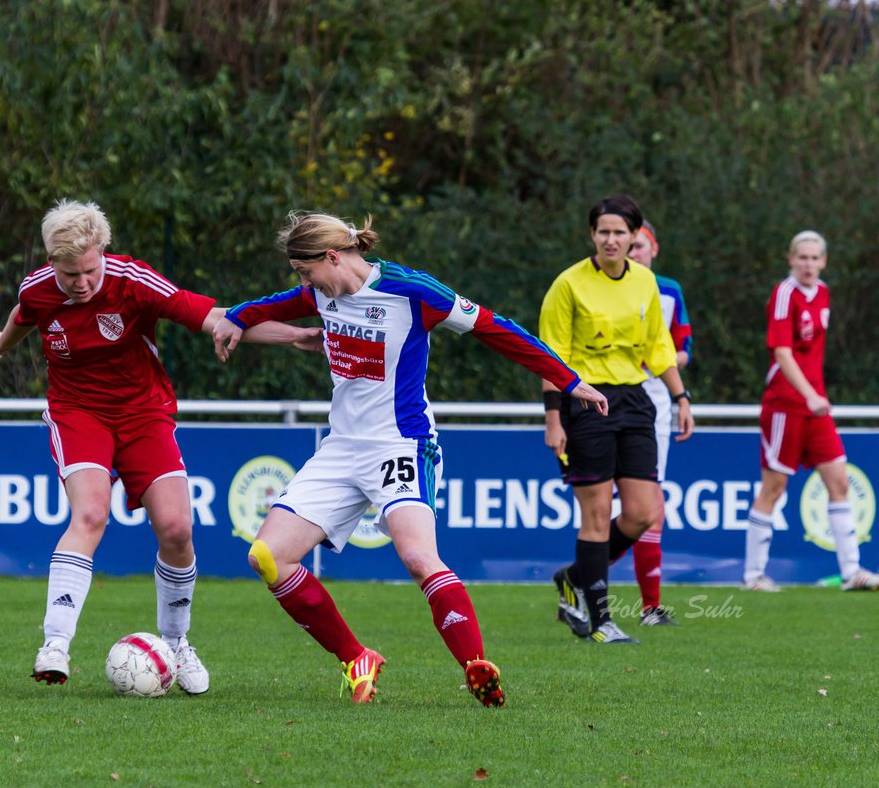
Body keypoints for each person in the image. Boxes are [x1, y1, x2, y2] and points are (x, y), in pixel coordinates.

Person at [212, 211, 609, 707]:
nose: (302, 282)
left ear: (332, 256)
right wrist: (233, 317)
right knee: (267, 555)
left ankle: (475, 666)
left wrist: (570, 381)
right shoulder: (321, 292)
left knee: (419, 557)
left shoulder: (412, 290)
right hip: (340, 449)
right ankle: (356, 658)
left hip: (401, 444)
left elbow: (497, 329)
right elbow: (263, 308)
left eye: (304, 270)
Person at [0, 199, 319, 692]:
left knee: (178, 528)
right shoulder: (38, 288)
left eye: (91, 270)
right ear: (52, 262)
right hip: (77, 414)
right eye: (70, 273)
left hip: (143, 413)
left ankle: (177, 645)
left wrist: (294, 336)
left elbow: (220, 317)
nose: (82, 283)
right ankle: (55, 644)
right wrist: (1, 343)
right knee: (90, 515)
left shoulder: (133, 281)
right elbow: (24, 313)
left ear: (103, 253)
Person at [540, 195, 693, 645]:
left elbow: (658, 347)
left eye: (619, 232)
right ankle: (602, 621)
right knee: (597, 514)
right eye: (603, 231)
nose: (611, 239)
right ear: (592, 235)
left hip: (635, 399)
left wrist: (680, 396)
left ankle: (573, 577)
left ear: (635, 237)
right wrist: (554, 419)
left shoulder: (645, 282)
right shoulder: (568, 284)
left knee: (645, 512)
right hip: (584, 401)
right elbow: (550, 358)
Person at [741, 231, 879, 592]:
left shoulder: (822, 292)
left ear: (823, 261)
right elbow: (782, 353)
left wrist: (814, 397)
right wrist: (808, 395)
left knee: (839, 481)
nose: (808, 264)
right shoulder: (784, 295)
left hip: (815, 406)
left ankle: (851, 572)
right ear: (791, 259)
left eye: (814, 258)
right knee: (774, 488)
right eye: (802, 257)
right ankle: (753, 576)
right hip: (785, 405)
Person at [622, 220, 693, 626]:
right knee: (605, 506)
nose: (633, 253)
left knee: (650, 504)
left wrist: (665, 366)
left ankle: (650, 605)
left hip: (654, 399)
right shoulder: (601, 287)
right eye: (629, 247)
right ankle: (583, 584)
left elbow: (683, 347)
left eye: (639, 246)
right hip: (610, 395)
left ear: (654, 249)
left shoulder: (668, 290)